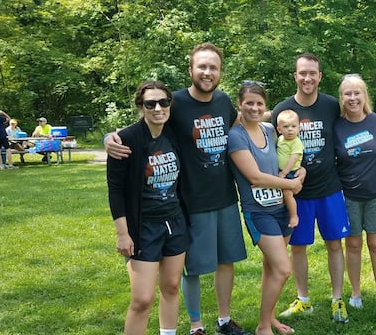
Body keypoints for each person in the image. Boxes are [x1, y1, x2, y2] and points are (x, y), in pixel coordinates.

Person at [105, 43, 251, 335]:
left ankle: (222, 321)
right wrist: (108, 138)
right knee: (184, 274)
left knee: (212, 267)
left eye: (213, 67)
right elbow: (140, 132)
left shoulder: (223, 103)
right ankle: (196, 326)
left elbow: (245, 120)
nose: (207, 72)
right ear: (191, 70)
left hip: (212, 202)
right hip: (183, 206)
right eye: (202, 67)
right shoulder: (176, 104)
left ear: (221, 72)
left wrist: (286, 121)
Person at [271, 53, 350, 324]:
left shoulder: (330, 105)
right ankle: (303, 299)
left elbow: (353, 121)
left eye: (312, 73)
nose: (307, 78)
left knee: (334, 245)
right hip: (297, 193)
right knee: (299, 247)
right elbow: (269, 145)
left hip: (329, 188)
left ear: (319, 77)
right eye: (302, 73)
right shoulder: (282, 110)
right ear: (295, 75)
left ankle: (337, 298)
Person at [107, 81, 187, 335]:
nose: (157, 108)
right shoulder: (127, 139)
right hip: (143, 227)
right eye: (150, 104)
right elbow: (116, 190)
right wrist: (122, 233)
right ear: (140, 107)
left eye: (163, 102)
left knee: (172, 287)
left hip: (174, 222)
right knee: (142, 299)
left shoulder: (172, 132)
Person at [227, 82, 305, 335]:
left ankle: (268, 318)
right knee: (283, 268)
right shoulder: (236, 136)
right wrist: (290, 184)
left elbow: (289, 153)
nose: (254, 107)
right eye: (249, 102)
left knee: (271, 267)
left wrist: (299, 171)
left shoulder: (271, 129)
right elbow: (255, 177)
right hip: (258, 210)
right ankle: (263, 327)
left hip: (282, 207)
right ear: (240, 104)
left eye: (259, 103)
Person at [334, 74, 376, 311]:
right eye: (347, 93)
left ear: (364, 95)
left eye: (357, 92)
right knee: (353, 244)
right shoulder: (336, 125)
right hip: (348, 194)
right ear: (342, 98)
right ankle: (355, 293)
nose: (352, 98)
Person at [275, 109, 302, 228]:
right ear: (279, 129)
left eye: (293, 126)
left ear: (298, 128)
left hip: (291, 172)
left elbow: (294, 158)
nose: (290, 129)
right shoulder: (280, 139)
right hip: (281, 171)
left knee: (287, 193)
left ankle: (294, 216)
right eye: (286, 126)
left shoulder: (296, 142)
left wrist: (284, 173)